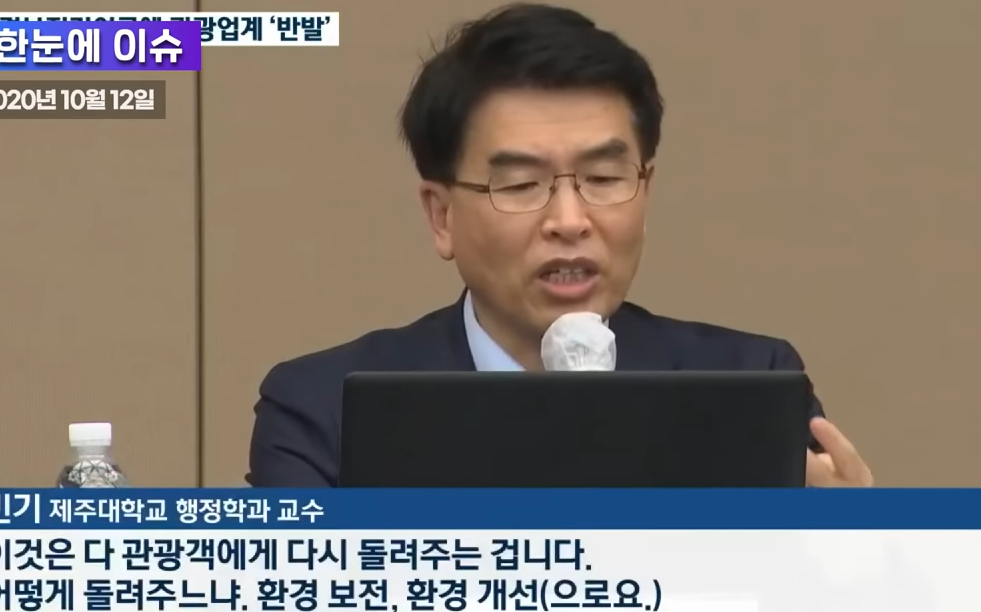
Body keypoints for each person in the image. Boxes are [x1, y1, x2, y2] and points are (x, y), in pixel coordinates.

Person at [247, 3, 873, 489]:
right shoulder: (324, 409)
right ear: (442, 216)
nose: (570, 221)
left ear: (645, 189)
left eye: (603, 178)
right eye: (522, 185)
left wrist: (855, 558)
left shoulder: (751, 386)